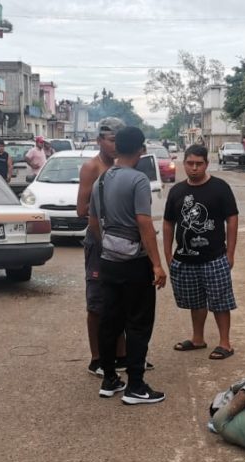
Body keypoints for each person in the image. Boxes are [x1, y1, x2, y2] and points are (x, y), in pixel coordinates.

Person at [91, 126, 167, 405]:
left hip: (109, 261)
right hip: (135, 264)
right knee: (138, 322)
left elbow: (94, 223)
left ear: (116, 147)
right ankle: (136, 385)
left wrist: (109, 247)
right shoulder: (138, 180)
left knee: (110, 320)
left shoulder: (101, 180)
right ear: (140, 149)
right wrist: (157, 264)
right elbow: (144, 222)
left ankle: (109, 378)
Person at [163, 144, 239, 360]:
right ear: (184, 163)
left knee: (220, 301)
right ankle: (198, 339)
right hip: (185, 259)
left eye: (199, 164)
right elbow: (169, 223)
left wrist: (230, 253)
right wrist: (168, 255)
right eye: (190, 163)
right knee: (195, 301)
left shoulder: (220, 188)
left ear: (207, 164)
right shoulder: (177, 191)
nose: (194, 168)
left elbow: (232, 219)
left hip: (214, 257)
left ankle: (225, 343)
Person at [77, 118, 128, 376]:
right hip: (98, 242)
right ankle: (96, 357)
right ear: (99, 140)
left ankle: (121, 354)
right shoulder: (92, 167)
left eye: (119, 141)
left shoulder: (123, 167)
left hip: (121, 243)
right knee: (96, 302)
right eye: (111, 140)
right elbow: (81, 209)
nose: (115, 145)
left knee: (120, 299)